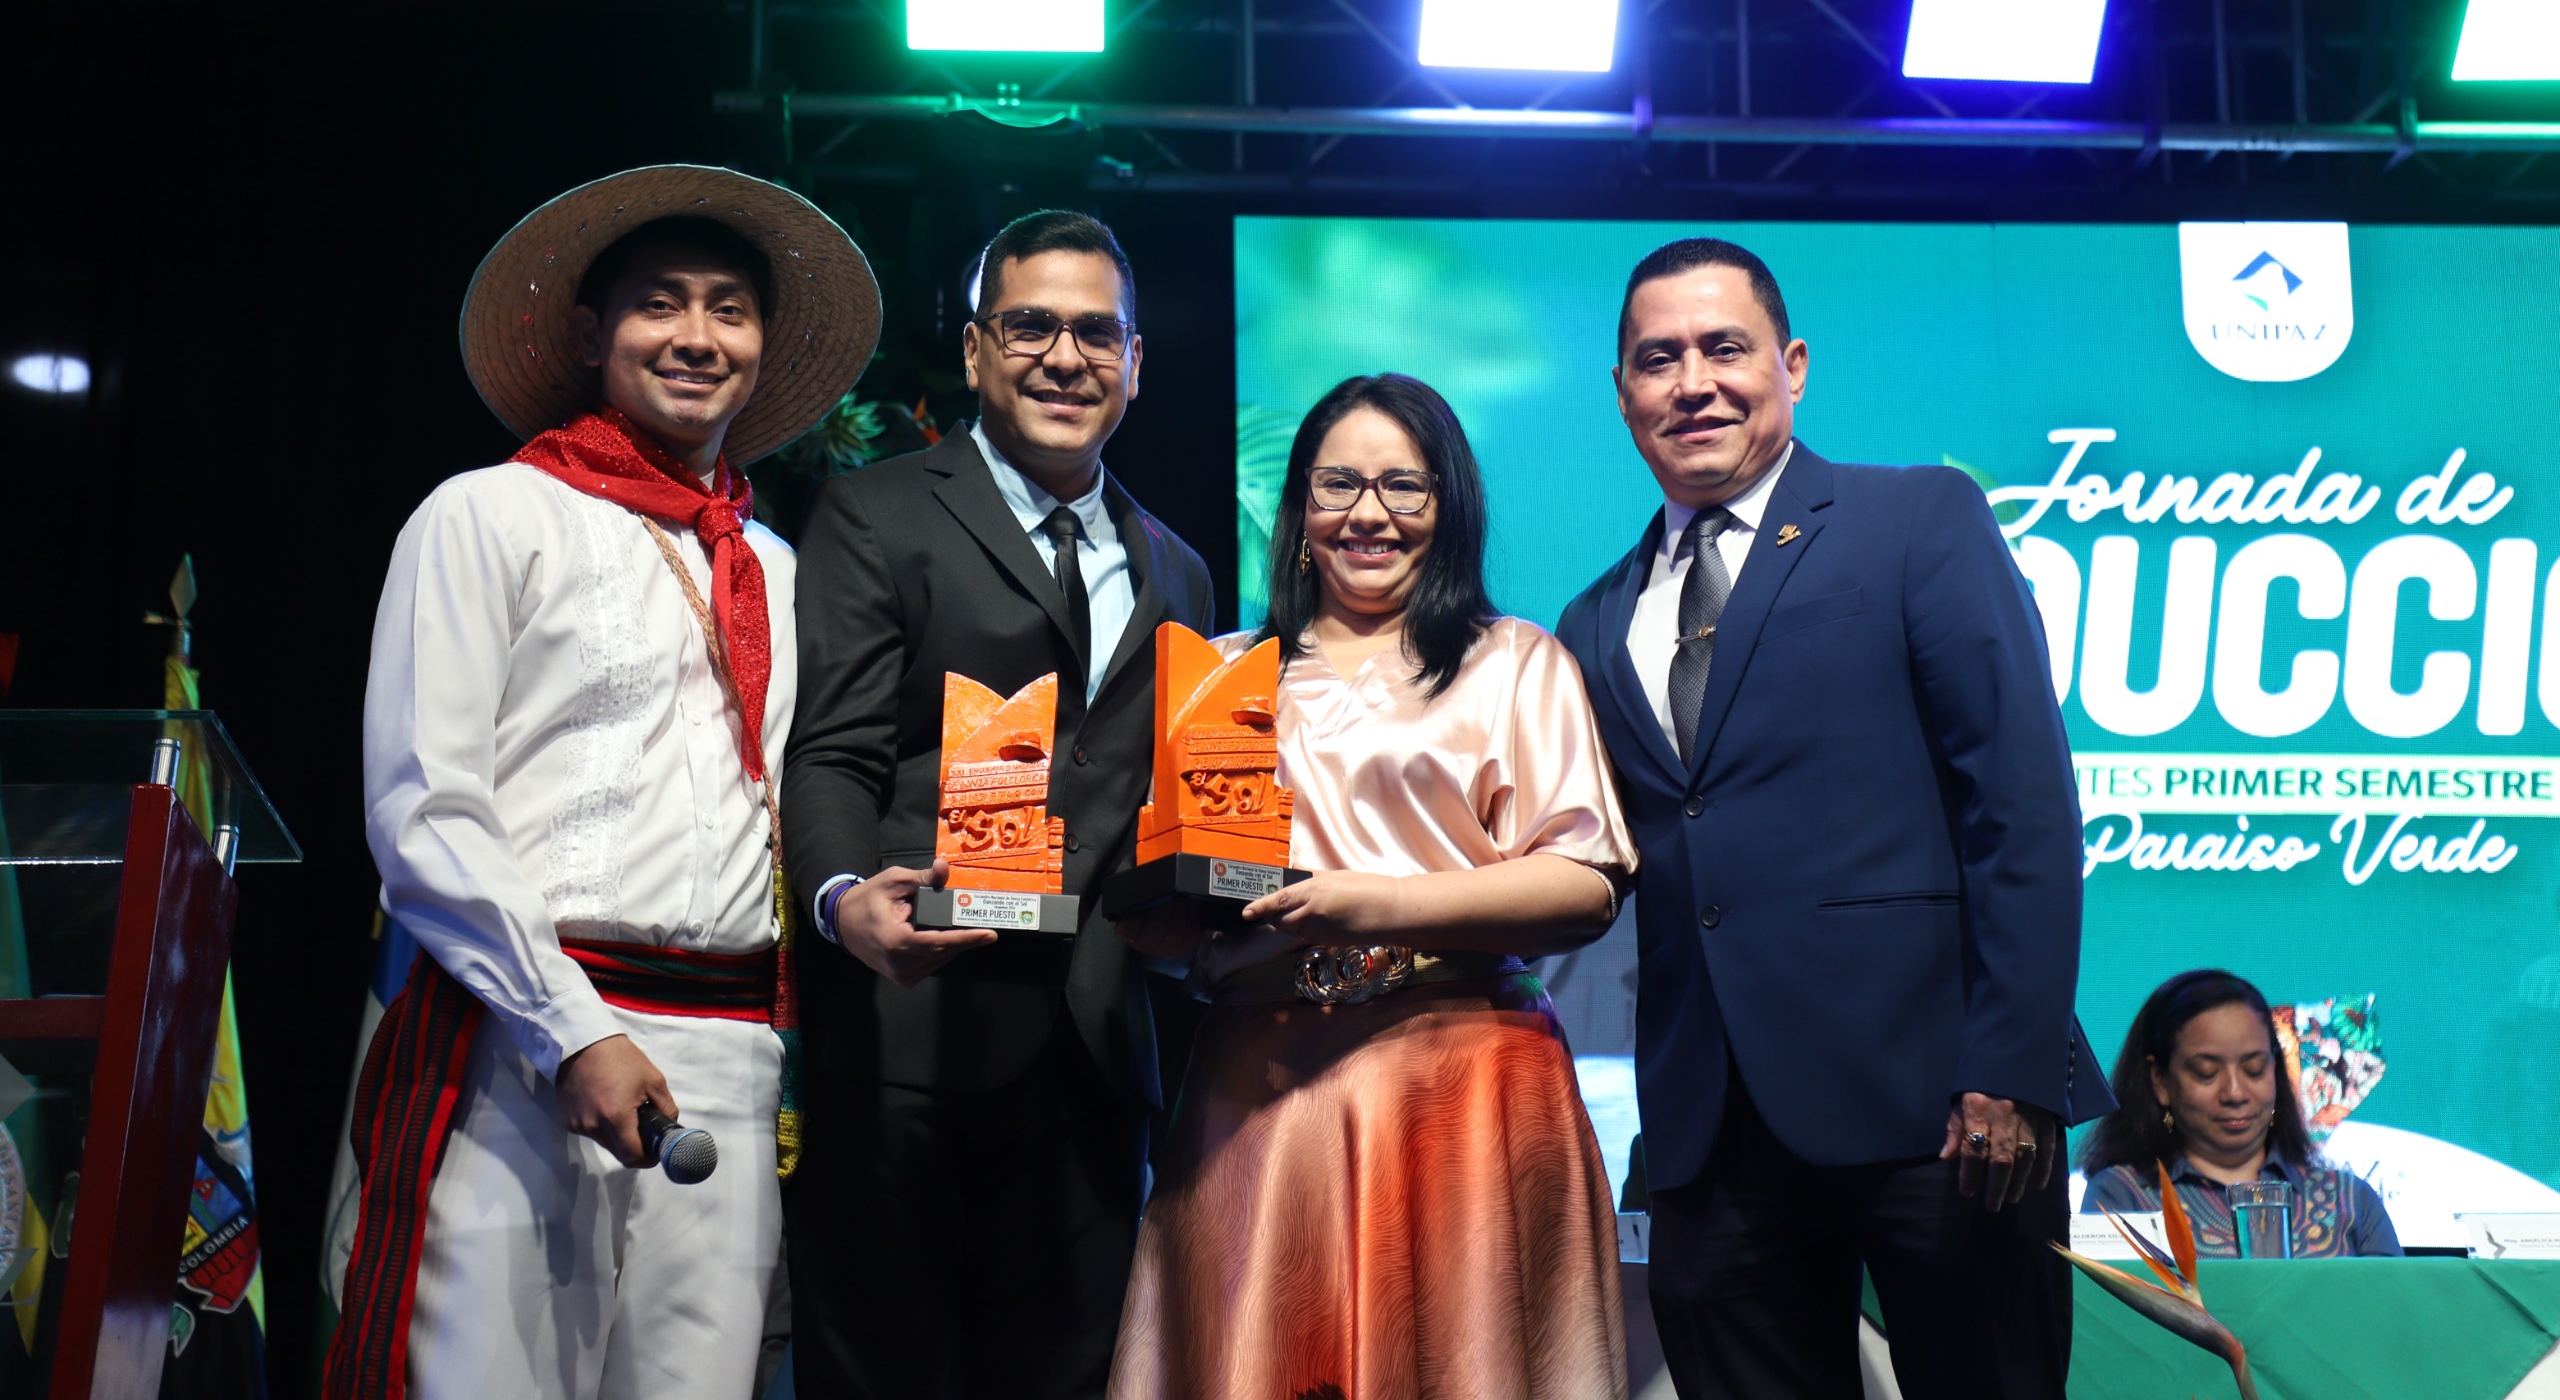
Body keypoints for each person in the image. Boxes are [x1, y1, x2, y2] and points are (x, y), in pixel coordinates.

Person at [329, 165, 880, 1400]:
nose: (697, 337)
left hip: (733, 1052)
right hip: (521, 1035)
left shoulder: (777, 569)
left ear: (762, 347)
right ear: (591, 334)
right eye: (659, 304)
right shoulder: (487, 516)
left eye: (729, 309)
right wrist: (571, 1028)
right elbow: (423, 809)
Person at [1554, 237, 2117, 1400]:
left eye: (1724, 348)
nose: (1693, 383)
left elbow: (2019, 802)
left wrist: (2011, 1068)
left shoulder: (1915, 519)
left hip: (1942, 1112)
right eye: (1658, 359)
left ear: (1793, 365)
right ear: (1620, 393)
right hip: (1712, 1141)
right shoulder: (1592, 618)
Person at [1111, 373, 1636, 1400]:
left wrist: (1372, 903)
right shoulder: (1221, 673)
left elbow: (1583, 885)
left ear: (1449, 504)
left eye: (1404, 485)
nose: (1369, 513)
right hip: (1263, 1089)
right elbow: (1181, 903)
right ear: (1299, 505)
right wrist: (1170, 929)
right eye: (1338, 483)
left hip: (1465, 1081)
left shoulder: (1513, 662)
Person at [781, 210, 1214, 1399]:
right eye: (1029, 327)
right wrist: (840, 899)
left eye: (1096, 333)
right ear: (975, 350)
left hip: (1096, 1057)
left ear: (1135, 362)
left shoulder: (1179, 567)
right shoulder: (876, 513)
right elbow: (833, 752)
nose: (1064, 358)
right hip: (911, 1033)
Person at [2079, 969, 2403, 1258]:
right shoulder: (2121, 1196)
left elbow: (2397, 1306)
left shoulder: (2351, 1201)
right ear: (2160, 1081)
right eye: (2206, 1073)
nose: (2235, 1093)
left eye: (2254, 1069)